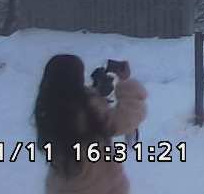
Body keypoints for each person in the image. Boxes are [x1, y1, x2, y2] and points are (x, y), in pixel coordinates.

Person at [33, 54, 148, 194]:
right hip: (99, 187)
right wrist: (125, 81)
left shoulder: (47, 107)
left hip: (63, 187)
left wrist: (96, 92)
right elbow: (125, 119)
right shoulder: (86, 108)